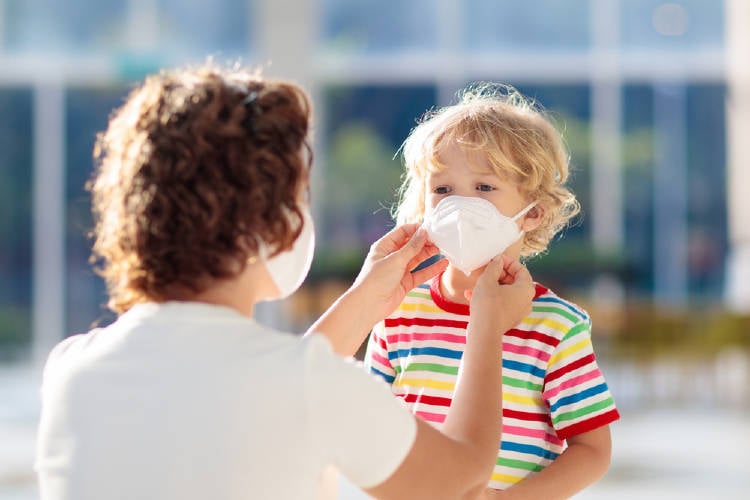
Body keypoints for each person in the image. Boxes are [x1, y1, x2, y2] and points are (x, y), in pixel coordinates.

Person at [34, 63, 537, 500]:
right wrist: (486, 327)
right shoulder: (307, 388)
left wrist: (364, 301)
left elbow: (259, 398)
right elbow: (461, 480)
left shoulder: (71, 371)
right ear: (273, 223)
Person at [364, 83, 621, 499]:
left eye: (484, 188)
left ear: (532, 212)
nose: (461, 206)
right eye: (443, 190)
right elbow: (370, 427)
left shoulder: (557, 326)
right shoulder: (397, 312)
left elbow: (592, 449)